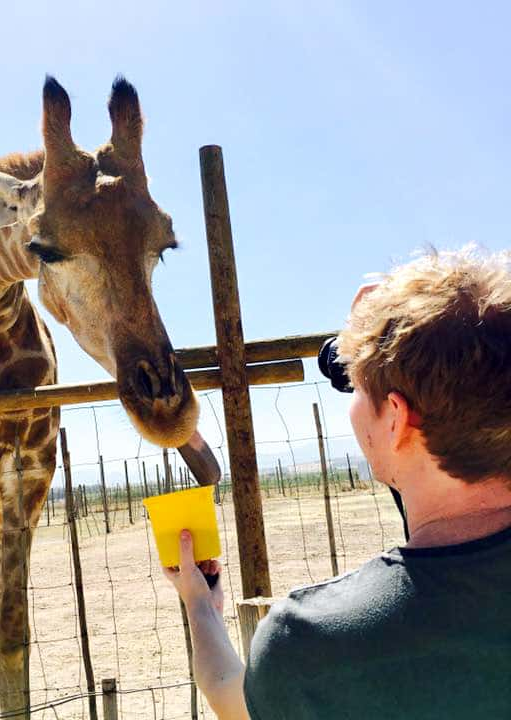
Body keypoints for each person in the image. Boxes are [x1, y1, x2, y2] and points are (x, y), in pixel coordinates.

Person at [163, 247, 511, 719]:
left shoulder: (311, 644)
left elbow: (229, 694)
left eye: (359, 388)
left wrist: (200, 605)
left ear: (396, 419)